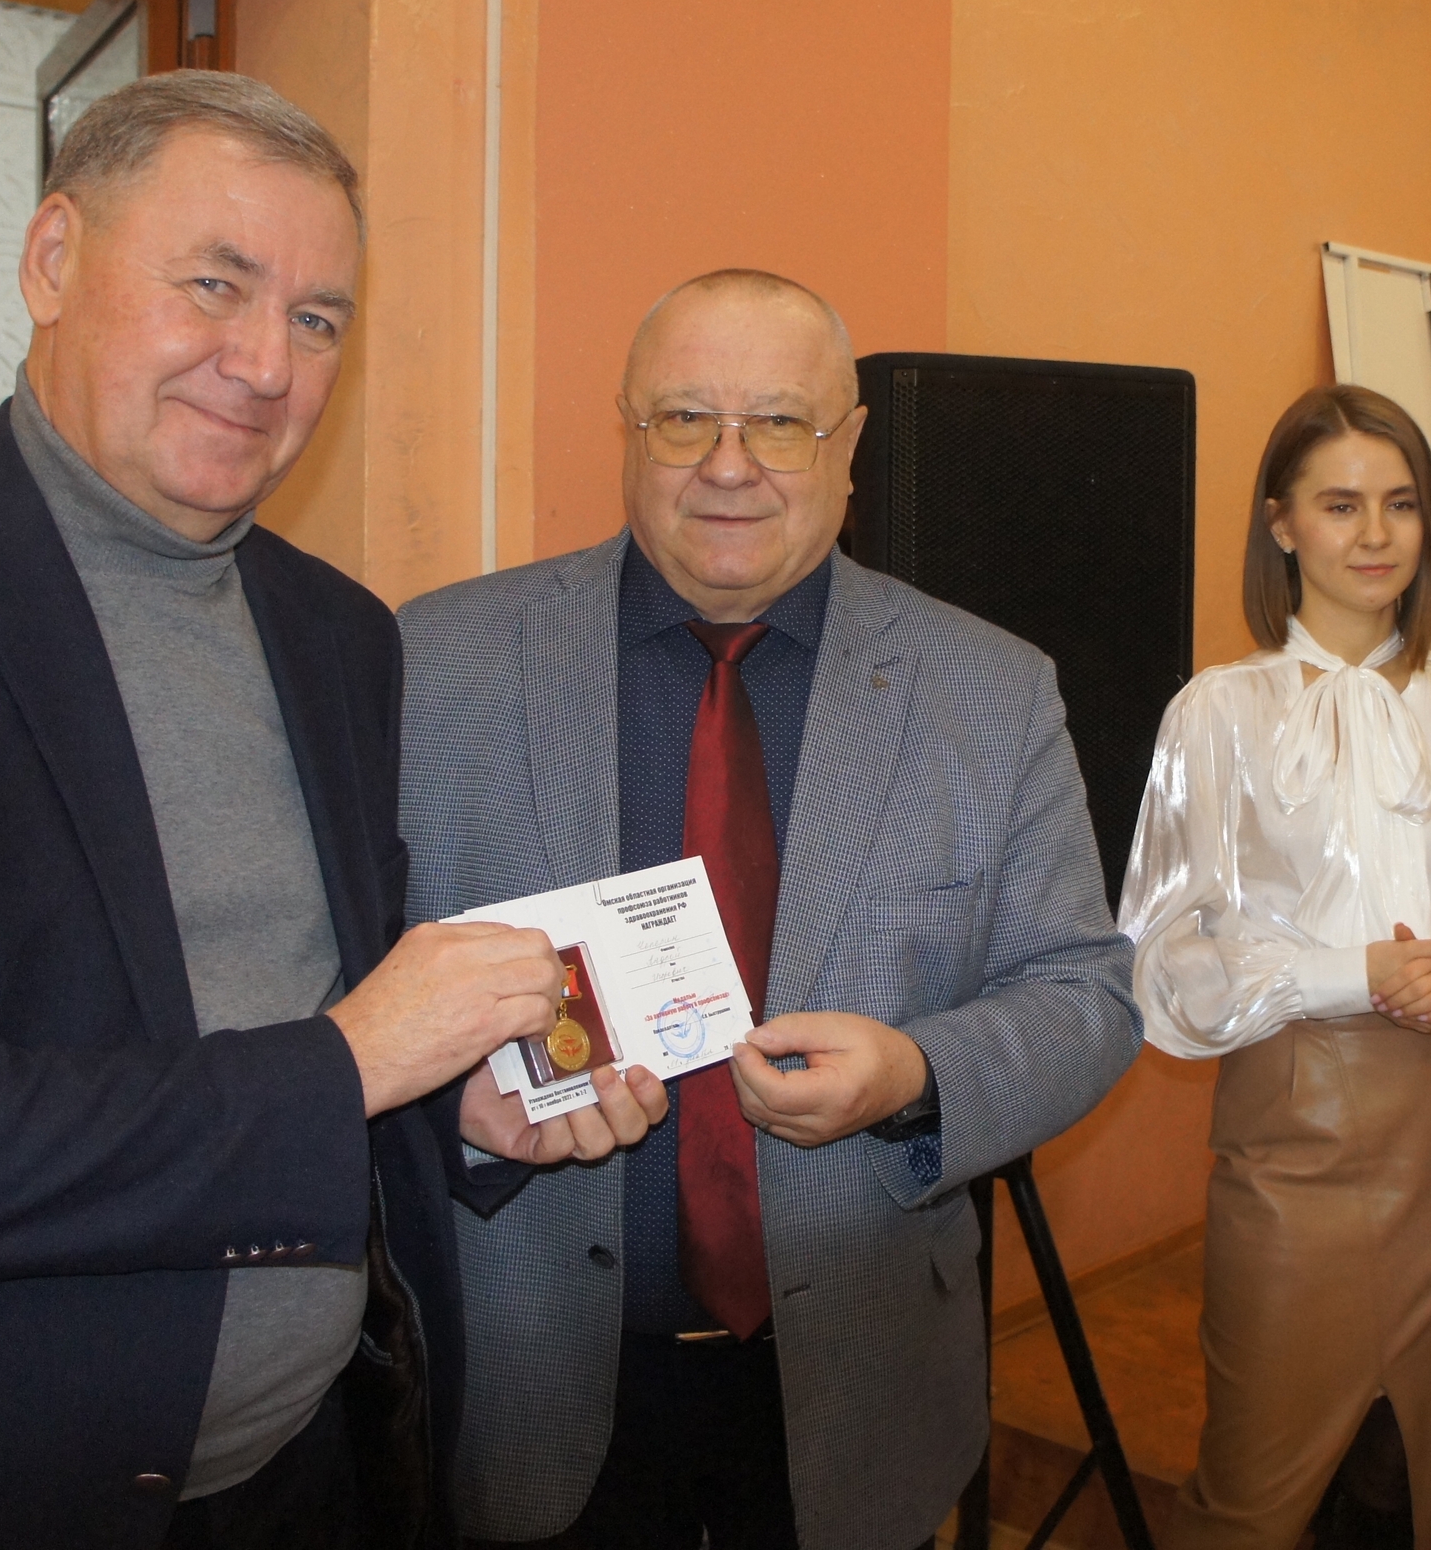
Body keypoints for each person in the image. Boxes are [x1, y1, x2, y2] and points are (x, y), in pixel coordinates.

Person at [0, 72, 610, 1548]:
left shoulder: (341, 635)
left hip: (311, 1473)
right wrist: (356, 1062)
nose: (266, 363)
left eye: (319, 319)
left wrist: (453, 1099)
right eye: (216, 284)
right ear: (52, 260)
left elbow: (320, 1026)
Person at [396, 267, 1143, 1550]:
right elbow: (336, 991)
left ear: (849, 446)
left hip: (856, 1383)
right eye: (684, 417)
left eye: (780, 422)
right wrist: (447, 1105)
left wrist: (917, 1073)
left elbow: (1086, 996)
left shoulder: (988, 690)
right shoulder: (435, 663)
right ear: (627, 430)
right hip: (527, 1378)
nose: (728, 465)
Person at [1118, 385, 1431, 1548]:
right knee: (1254, 1494)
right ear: (1281, 524)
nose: (1376, 533)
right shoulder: (1219, 711)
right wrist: (1361, 975)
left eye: (1402, 504)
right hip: (1296, 1136)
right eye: (1340, 505)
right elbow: (1160, 961)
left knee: (1403, 1482)